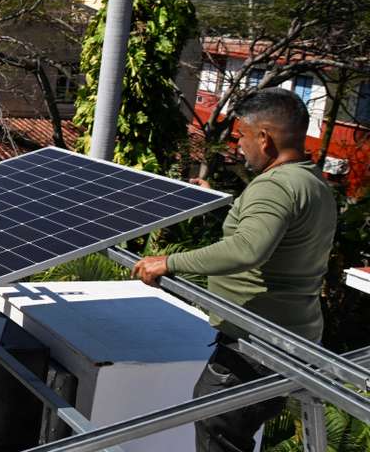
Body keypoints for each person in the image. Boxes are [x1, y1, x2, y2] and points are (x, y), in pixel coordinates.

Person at [132, 88, 336, 452]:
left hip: (257, 343)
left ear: (265, 138)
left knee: (217, 428)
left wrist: (168, 262)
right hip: (295, 334)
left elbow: (248, 249)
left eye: (242, 135)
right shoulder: (311, 180)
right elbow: (272, 238)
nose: (238, 145)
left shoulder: (274, 187)